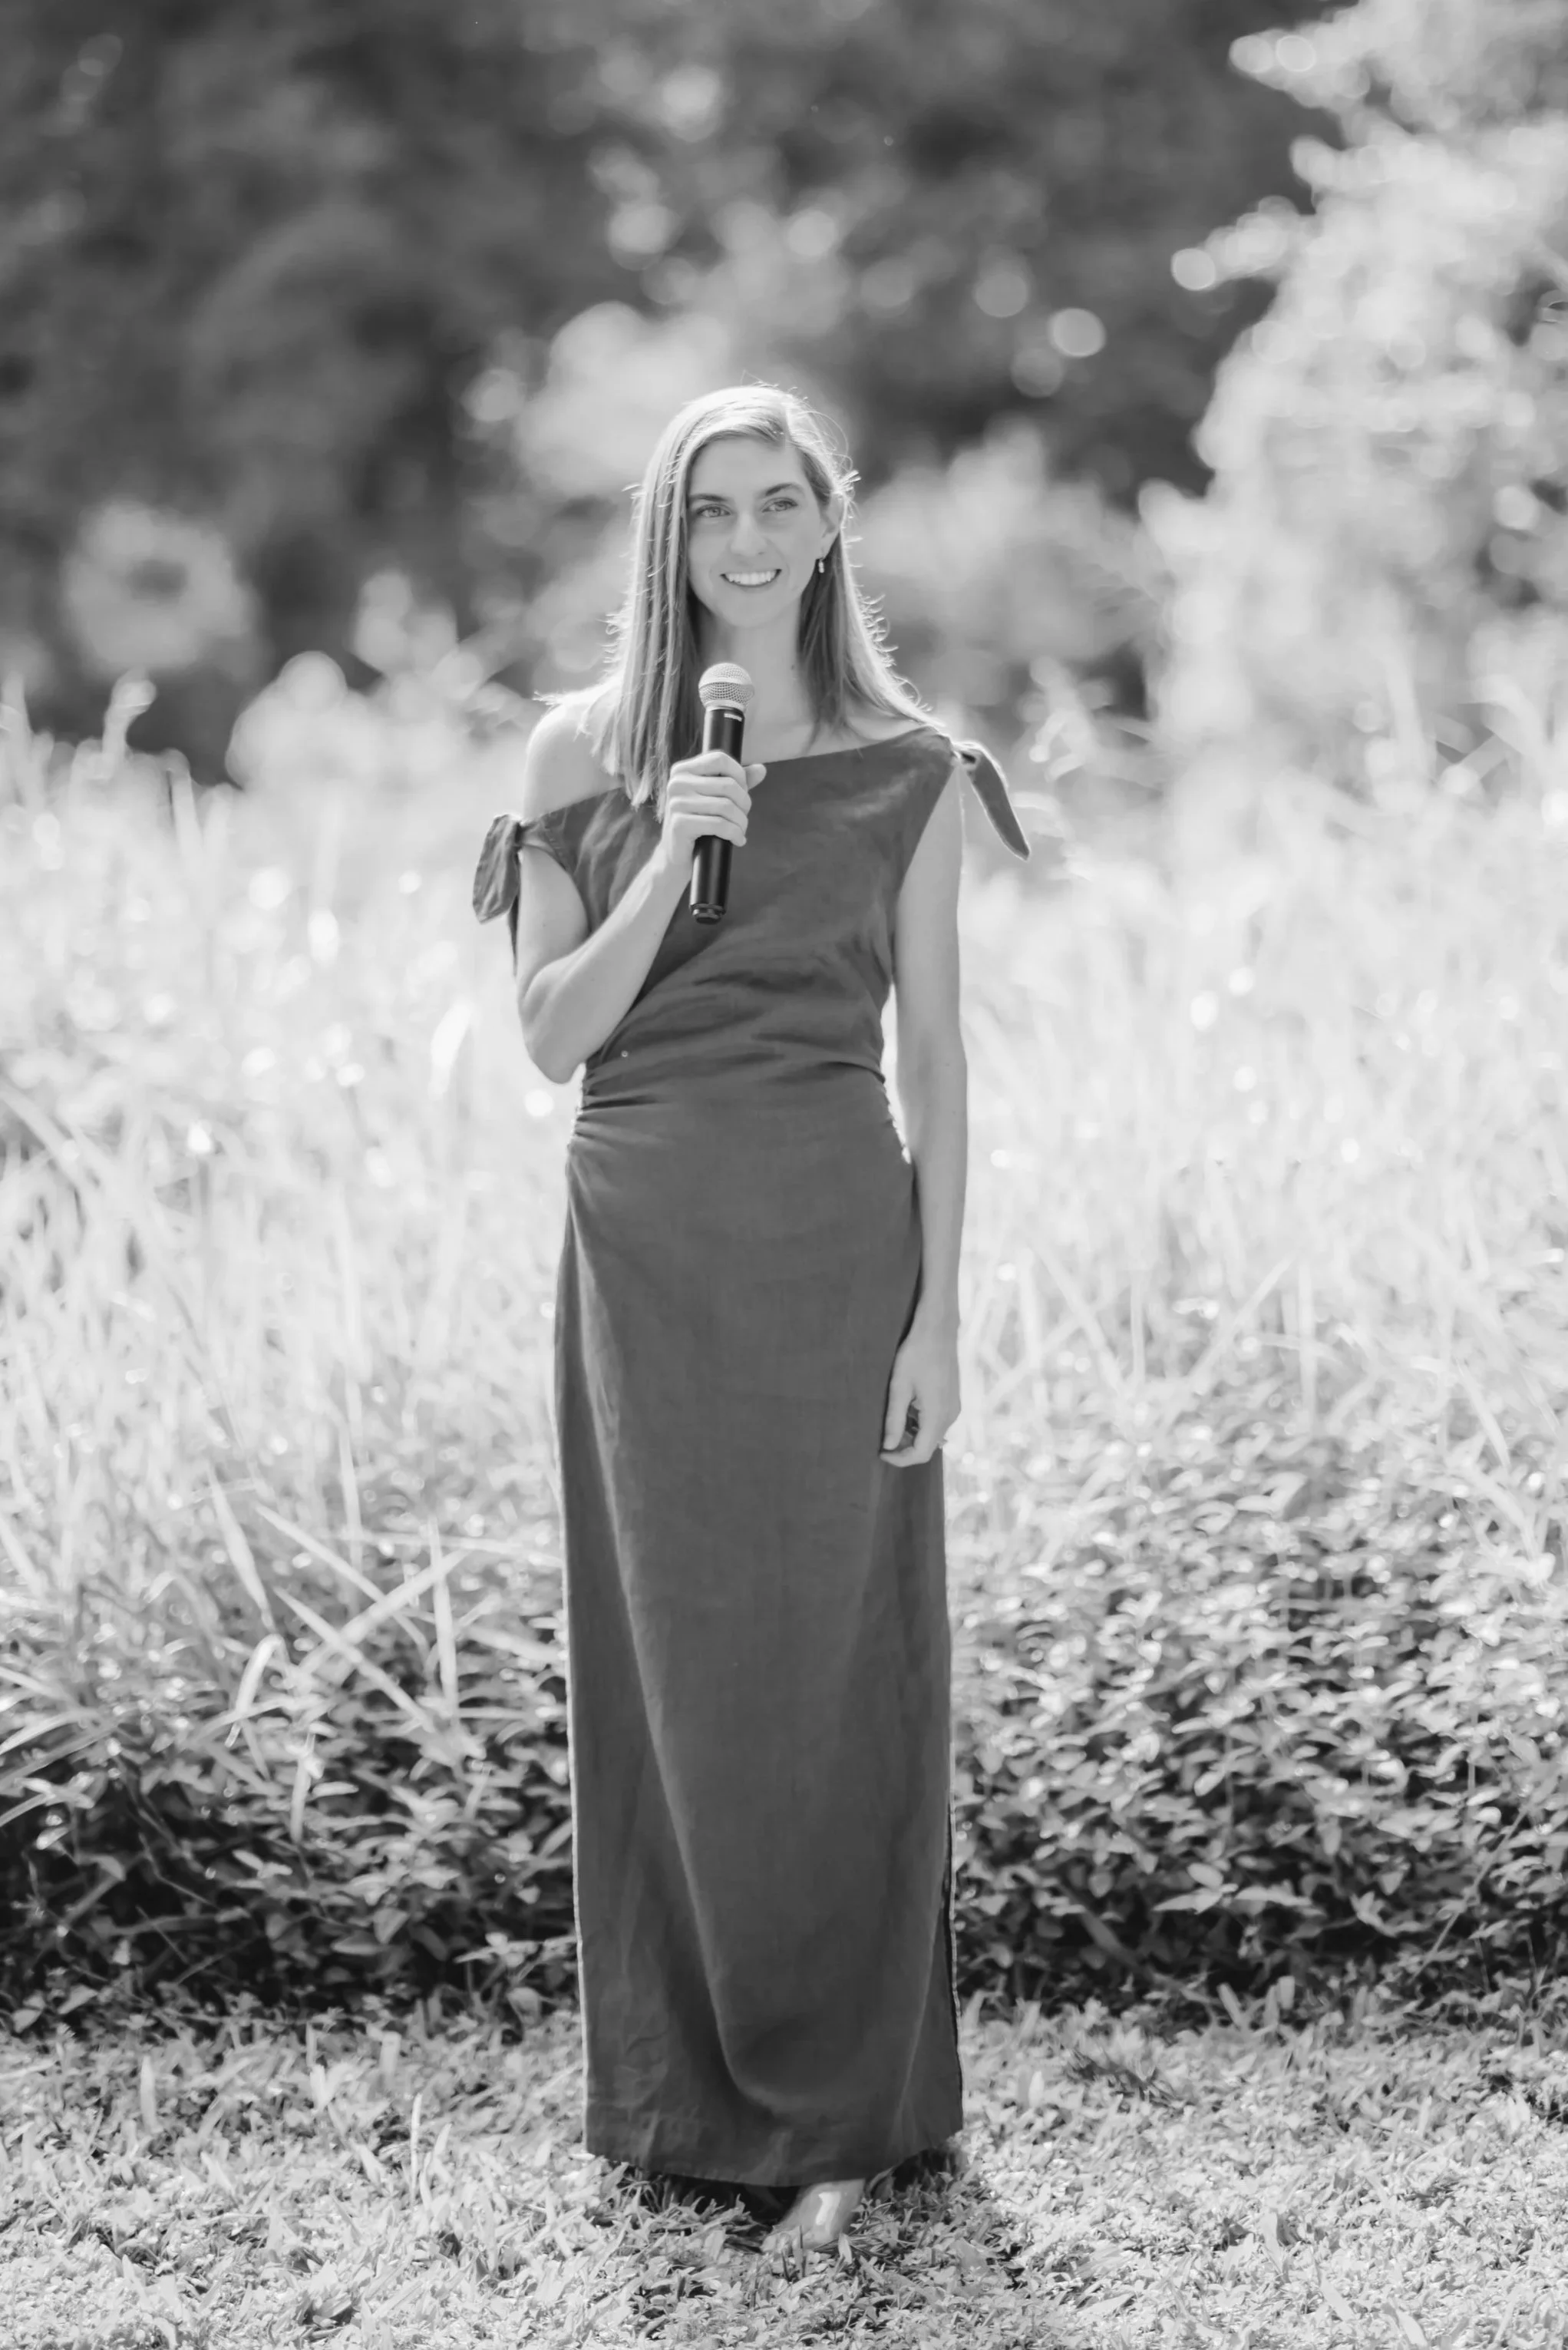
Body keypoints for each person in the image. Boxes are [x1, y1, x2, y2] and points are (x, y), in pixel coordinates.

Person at [472, 384, 1028, 2256]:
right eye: (712, 509)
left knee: (837, 1664)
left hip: (830, 1244)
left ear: (827, 522)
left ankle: (846, 2113)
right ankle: (681, 2101)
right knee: (671, 1663)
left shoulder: (907, 769)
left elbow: (936, 1061)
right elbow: (551, 1036)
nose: (747, 541)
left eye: (779, 502)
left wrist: (939, 1319)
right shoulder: (575, 750)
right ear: (670, 535)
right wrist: (660, 857)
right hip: (642, 1245)